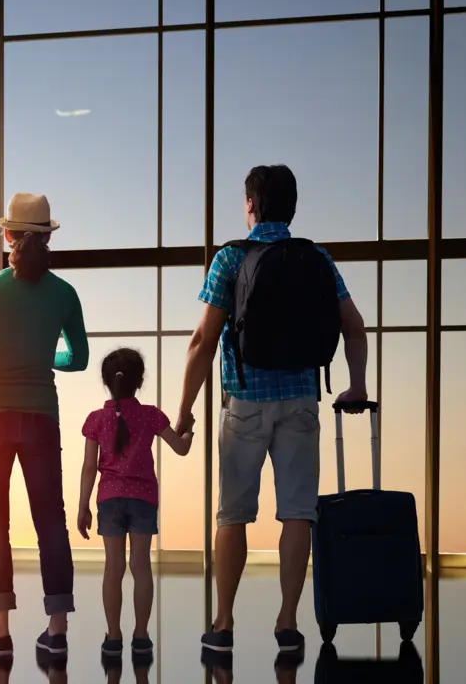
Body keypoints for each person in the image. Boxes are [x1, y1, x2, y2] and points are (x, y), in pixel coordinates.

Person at [174, 165, 368, 654]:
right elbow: (354, 324)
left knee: (233, 515)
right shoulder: (317, 257)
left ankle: (223, 623)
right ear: (293, 207)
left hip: (243, 402)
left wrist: (184, 411)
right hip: (302, 402)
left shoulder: (230, 259)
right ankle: (287, 623)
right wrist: (357, 384)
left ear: (250, 205)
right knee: (298, 513)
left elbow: (203, 340)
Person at [0, 192, 89, 659]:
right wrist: (43, 356)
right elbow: (81, 358)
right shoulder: (65, 294)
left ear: (7, 236)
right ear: (47, 238)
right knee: (51, 521)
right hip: (41, 418)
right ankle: (56, 630)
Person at [77, 348, 192, 659]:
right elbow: (181, 448)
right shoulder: (151, 415)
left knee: (112, 568)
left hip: (109, 500)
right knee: (140, 567)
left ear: (106, 382)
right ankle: (141, 636)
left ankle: (113, 637)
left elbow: (90, 467)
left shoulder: (96, 420)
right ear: (140, 381)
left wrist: (82, 505)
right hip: (143, 500)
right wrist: (189, 429)